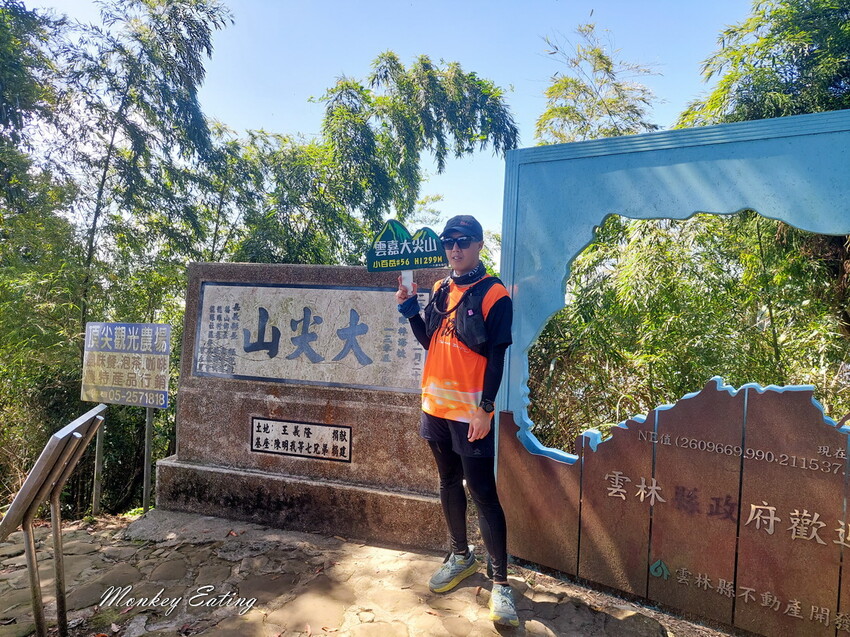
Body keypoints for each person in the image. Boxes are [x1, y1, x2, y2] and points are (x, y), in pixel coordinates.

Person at [396, 214, 517, 627]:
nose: (455, 248)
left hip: (470, 412)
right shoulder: (440, 289)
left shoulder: (495, 293)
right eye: (449, 242)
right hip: (435, 406)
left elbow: (498, 357)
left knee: (483, 494)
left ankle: (501, 584)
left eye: (463, 241)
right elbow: (431, 342)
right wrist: (410, 310)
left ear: (479, 244)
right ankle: (461, 556)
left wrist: (486, 408)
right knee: (448, 481)